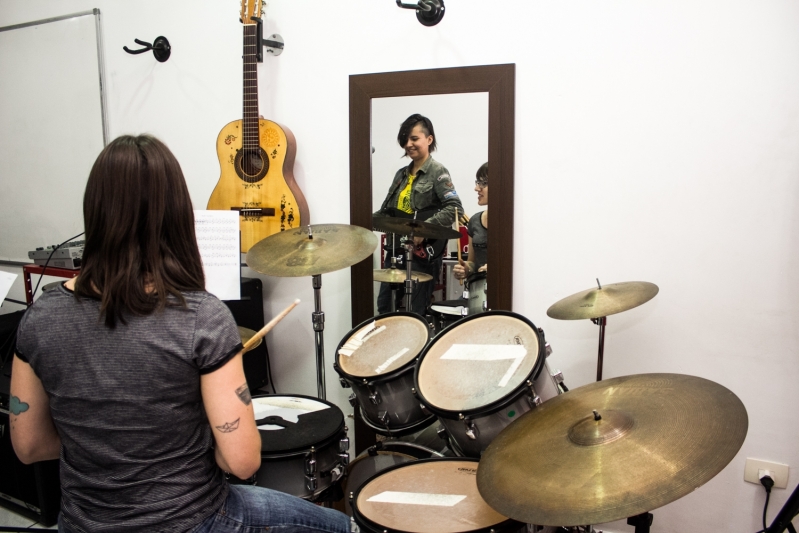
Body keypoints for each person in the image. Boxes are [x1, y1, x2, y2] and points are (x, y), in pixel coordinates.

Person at [10, 135, 355, 533]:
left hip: (82, 523)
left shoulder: (40, 318)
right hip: (192, 521)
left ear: (96, 211)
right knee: (340, 527)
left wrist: (107, 448)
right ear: (176, 215)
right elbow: (242, 462)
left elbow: (29, 445)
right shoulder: (200, 317)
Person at [373, 113, 463, 316]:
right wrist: (362, 221)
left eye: (414, 138)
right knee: (384, 308)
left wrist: (423, 230)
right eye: (405, 140)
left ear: (429, 139)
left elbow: (455, 208)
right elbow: (387, 210)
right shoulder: (401, 175)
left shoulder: (438, 171)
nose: (408, 144)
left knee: (416, 312)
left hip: (423, 254)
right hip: (396, 251)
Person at [454, 162, 488, 281]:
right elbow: (472, 262)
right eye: (477, 182)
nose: (476, 188)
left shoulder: (512, 223)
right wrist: (466, 269)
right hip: (478, 289)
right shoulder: (475, 221)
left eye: (483, 183)